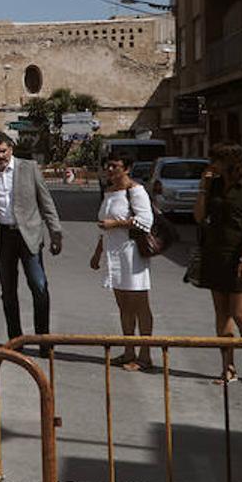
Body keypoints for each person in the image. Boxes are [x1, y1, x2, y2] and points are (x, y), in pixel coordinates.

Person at [0, 132, 64, 341]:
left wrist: (55, 233)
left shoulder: (29, 168)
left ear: (11, 149)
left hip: (29, 236)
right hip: (2, 237)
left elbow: (46, 202)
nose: (1, 156)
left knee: (39, 285)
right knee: (8, 292)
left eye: (4, 151)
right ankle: (15, 339)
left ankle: (43, 338)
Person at [193, 143, 242, 386]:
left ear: (229, 162)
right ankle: (228, 367)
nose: (211, 164)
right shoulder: (212, 185)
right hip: (216, 253)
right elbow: (199, 217)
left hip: (240, 255)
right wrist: (203, 188)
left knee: (240, 313)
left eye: (216, 160)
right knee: (222, 314)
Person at [90, 152, 155, 370]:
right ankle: (129, 350)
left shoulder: (135, 191)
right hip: (113, 253)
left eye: (115, 166)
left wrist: (115, 224)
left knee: (139, 304)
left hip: (132, 254)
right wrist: (97, 253)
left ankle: (145, 355)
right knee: (123, 305)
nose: (110, 170)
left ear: (126, 168)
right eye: (107, 166)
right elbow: (104, 226)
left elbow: (145, 221)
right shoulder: (109, 192)